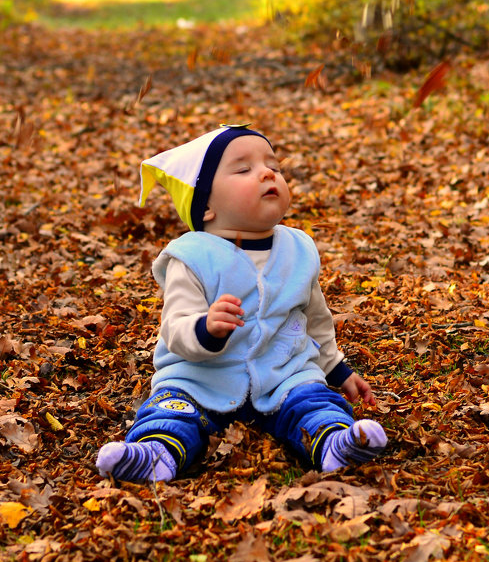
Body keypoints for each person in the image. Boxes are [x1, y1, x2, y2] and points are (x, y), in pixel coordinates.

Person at [95, 125, 387, 482]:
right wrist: (205, 329)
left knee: (314, 402)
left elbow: (316, 320)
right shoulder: (192, 257)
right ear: (206, 208)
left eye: (273, 166)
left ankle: (335, 443)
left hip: (283, 375)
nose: (267, 173)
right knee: (173, 411)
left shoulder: (299, 249)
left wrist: (336, 370)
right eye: (243, 169)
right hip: (200, 379)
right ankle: (155, 453)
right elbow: (175, 327)